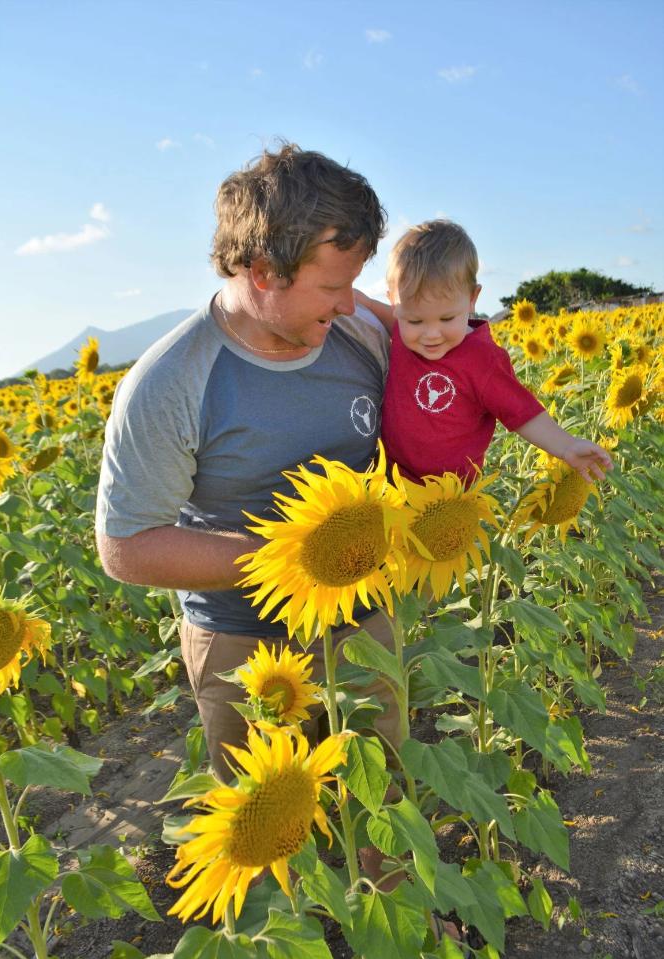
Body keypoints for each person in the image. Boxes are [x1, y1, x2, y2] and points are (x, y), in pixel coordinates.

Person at [95, 143, 399, 783]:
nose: (350, 304)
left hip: (365, 620)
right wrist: (290, 558)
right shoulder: (171, 382)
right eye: (334, 286)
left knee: (383, 815)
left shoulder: (359, 337)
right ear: (263, 271)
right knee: (268, 846)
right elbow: (126, 547)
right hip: (245, 648)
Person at [357, 219, 613, 484]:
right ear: (395, 303)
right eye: (415, 321)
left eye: (447, 319)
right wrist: (360, 300)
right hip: (390, 481)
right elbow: (387, 316)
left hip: (451, 496)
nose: (431, 334)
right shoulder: (402, 328)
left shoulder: (482, 359)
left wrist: (566, 446)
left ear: (472, 299)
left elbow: (521, 411)